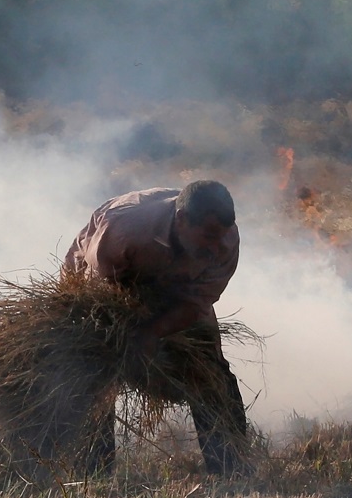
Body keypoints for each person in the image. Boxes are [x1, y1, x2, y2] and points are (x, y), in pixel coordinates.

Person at [61, 180, 248, 475]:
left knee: (210, 370)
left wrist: (152, 333)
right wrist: (127, 337)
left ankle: (231, 467)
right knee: (95, 368)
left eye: (221, 236)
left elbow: (197, 302)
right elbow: (98, 296)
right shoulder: (123, 230)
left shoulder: (225, 243)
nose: (215, 246)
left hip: (176, 287)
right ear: (182, 219)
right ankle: (92, 471)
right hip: (109, 283)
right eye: (208, 236)